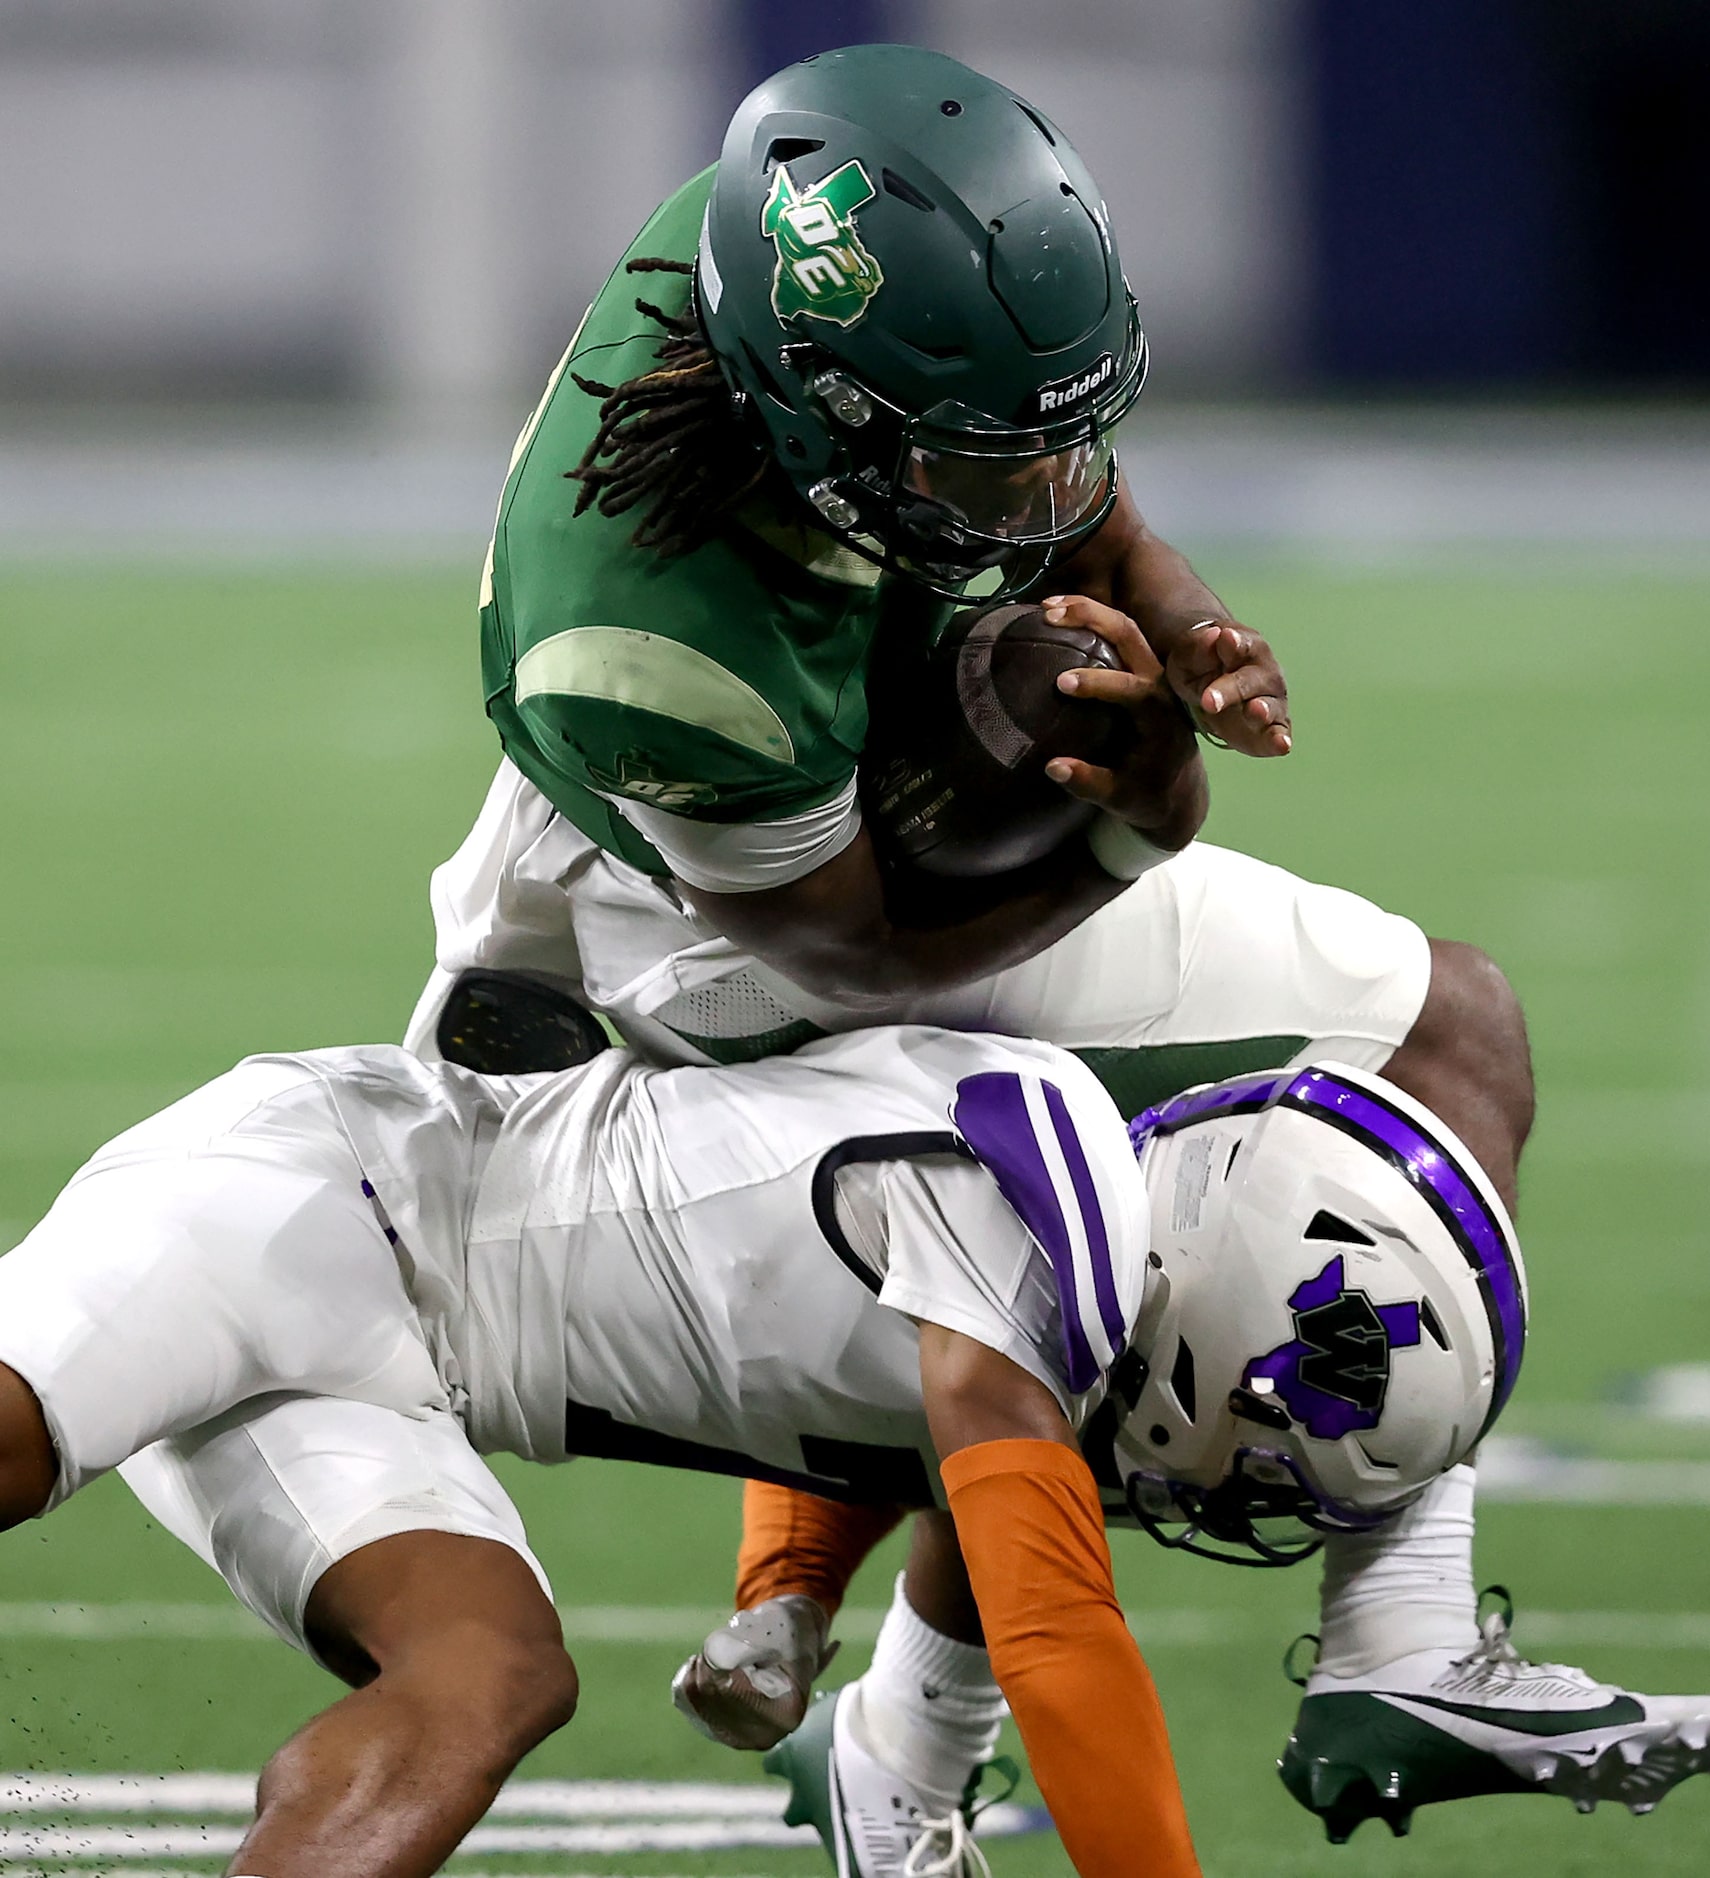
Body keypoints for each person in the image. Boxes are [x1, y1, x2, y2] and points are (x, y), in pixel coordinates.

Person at [395, 40, 1620, 1842]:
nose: (1042, 496)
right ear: (814, 430)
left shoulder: (804, 282)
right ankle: (905, 1724)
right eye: (982, 466)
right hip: (687, 928)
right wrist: (1141, 822)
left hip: (805, 797)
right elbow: (850, 956)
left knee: (1449, 1032)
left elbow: (1036, 454)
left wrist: (1171, 599)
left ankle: (1368, 1644)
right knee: (1078, 1251)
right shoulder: (652, 640)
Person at [0, 1024, 1620, 1878]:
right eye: (1273, 1459)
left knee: (492, 1680)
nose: (1239, 1489)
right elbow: (1055, 1631)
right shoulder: (1033, 1201)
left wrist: (786, 1590)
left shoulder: (1043, 1300)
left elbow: (838, 1377)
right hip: (305, 1197)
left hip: (404, 1376)